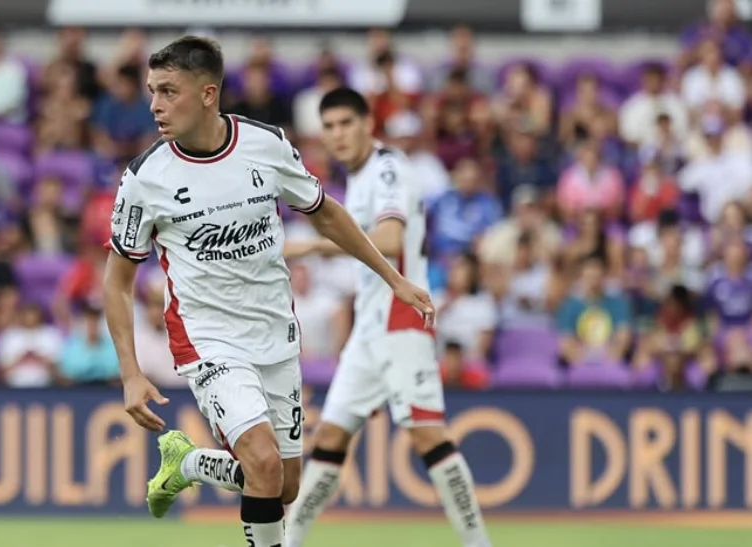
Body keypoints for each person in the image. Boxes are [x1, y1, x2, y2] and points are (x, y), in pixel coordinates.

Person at [102, 37, 432, 547]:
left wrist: (393, 277)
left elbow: (325, 213)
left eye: (169, 91)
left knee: (283, 484)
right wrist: (129, 372)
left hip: (275, 334)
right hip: (207, 337)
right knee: (260, 460)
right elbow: (118, 280)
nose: (155, 106)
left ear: (208, 93)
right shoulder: (145, 179)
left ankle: (185, 462)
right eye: (152, 92)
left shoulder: (265, 145)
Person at [282, 88, 491, 547]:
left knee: (426, 435)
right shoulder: (357, 178)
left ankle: (480, 544)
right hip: (369, 328)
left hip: (401, 318)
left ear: (367, 124)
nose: (337, 135)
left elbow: (391, 239)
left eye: (345, 123)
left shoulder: (388, 168)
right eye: (329, 127)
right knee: (331, 436)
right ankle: (288, 542)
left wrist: (312, 245)